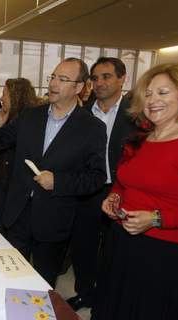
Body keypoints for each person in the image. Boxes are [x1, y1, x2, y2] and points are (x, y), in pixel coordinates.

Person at [0, 58, 107, 287]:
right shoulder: (31, 116)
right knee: (11, 275)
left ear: (80, 87)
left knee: (42, 284)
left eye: (63, 79)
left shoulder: (92, 128)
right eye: (52, 77)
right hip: (17, 213)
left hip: (54, 219)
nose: (54, 83)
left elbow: (96, 177)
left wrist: (58, 181)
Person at [92, 63, 178, 320]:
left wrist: (157, 219)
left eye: (163, 92)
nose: (153, 100)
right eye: (148, 94)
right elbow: (122, 183)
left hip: (165, 256)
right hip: (122, 244)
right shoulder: (139, 139)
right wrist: (114, 197)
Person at [67, 57, 137, 311]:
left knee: (114, 251)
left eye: (106, 76)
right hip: (88, 191)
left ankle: (106, 300)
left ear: (122, 78)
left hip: (121, 193)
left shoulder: (136, 115)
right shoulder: (82, 113)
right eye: (95, 78)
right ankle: (85, 292)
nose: (99, 83)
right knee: (83, 247)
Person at [0, 78, 39, 235]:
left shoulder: (24, 121)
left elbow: (0, 144)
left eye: (5, 94)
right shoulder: (12, 118)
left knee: (7, 232)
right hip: (2, 184)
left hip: (10, 188)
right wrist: (0, 124)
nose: (1, 98)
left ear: (16, 96)